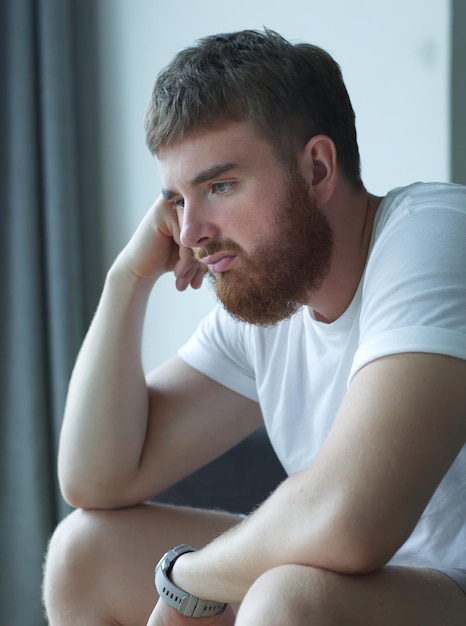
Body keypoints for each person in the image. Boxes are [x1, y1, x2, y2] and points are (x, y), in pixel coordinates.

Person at [43, 29, 466, 625]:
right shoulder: (272, 299)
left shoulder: (436, 235)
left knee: (285, 600)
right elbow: (93, 479)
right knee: (82, 553)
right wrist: (127, 280)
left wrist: (184, 580)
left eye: (219, 186)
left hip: (449, 586)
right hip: (378, 585)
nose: (190, 233)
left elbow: (350, 520)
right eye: (177, 201)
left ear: (316, 170)